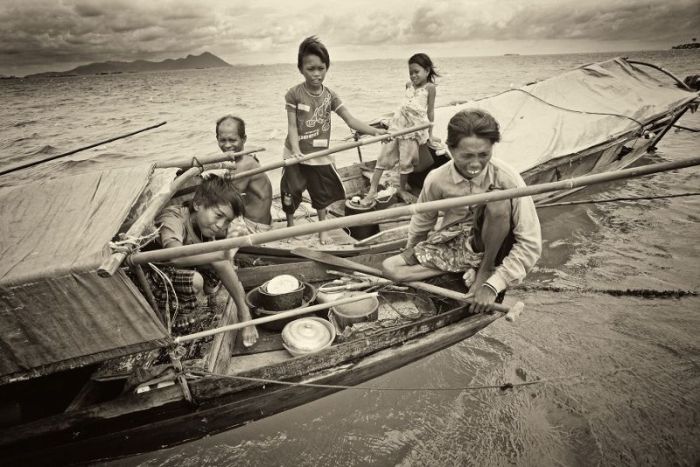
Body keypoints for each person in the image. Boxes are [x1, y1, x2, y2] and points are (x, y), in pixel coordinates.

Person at [382, 109, 542, 313]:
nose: (475, 164)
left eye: (483, 155)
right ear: (450, 149)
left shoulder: (508, 178)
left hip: (493, 246)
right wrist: (413, 250)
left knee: (497, 202)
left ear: (492, 148)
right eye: (467, 156)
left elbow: (530, 243)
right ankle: (466, 268)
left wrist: (493, 284)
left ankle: (483, 269)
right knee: (390, 268)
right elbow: (422, 221)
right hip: (455, 244)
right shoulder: (437, 179)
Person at [281, 35, 388, 244]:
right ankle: (290, 226)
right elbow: (292, 126)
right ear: (300, 68)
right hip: (294, 152)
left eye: (321, 68)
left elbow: (350, 119)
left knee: (320, 194)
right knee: (290, 190)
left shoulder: (330, 96)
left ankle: (322, 230)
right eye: (311, 69)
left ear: (327, 68)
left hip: (319, 154)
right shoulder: (293, 94)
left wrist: (375, 132)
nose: (316, 74)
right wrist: (295, 150)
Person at [147, 174, 258, 347]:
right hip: (153, 275)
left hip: (182, 269)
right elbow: (173, 255)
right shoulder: (173, 217)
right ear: (198, 204)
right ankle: (177, 311)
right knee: (200, 277)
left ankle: (241, 313)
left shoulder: (205, 229)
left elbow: (222, 263)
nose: (221, 225)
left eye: (227, 221)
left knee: (222, 263)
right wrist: (219, 259)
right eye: (218, 215)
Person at [362, 53, 439, 205]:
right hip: (397, 126)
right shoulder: (408, 85)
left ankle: (402, 189)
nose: (413, 75)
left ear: (427, 70)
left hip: (412, 130)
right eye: (411, 72)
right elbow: (404, 106)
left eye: (416, 72)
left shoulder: (430, 88)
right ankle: (372, 189)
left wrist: (430, 134)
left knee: (406, 161)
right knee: (383, 157)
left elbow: (430, 112)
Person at [214, 115, 273, 233]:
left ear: (243, 139)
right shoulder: (244, 159)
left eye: (232, 140)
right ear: (217, 138)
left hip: (255, 227)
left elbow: (225, 201)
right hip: (259, 221)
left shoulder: (245, 164)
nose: (227, 145)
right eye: (222, 140)